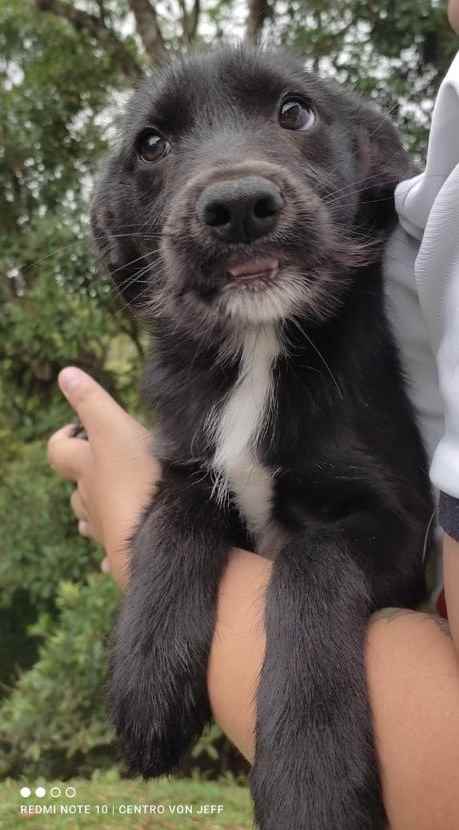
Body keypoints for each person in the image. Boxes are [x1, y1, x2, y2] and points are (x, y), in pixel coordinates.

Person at [47, 3, 459, 826]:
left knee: (318, 559)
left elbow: (392, 524)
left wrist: (309, 577)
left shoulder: (386, 328)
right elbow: (195, 488)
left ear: (366, 155)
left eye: (292, 114)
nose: (235, 189)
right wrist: (168, 528)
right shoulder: (181, 373)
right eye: (154, 146)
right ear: (118, 228)